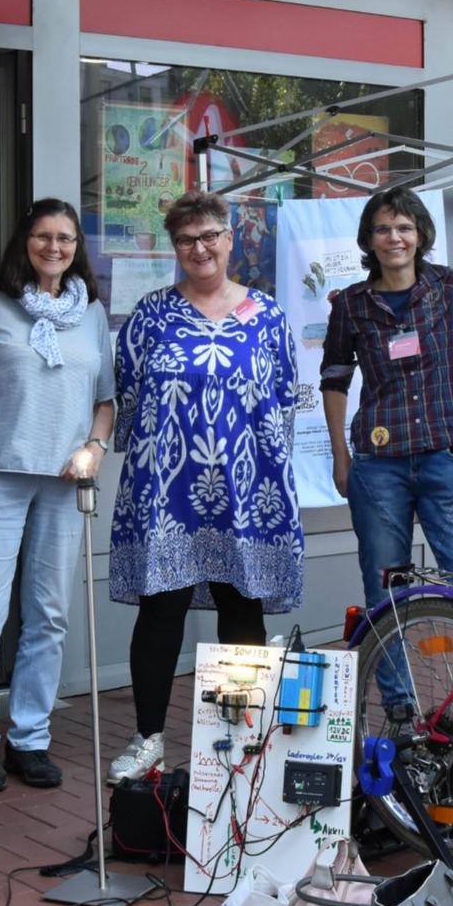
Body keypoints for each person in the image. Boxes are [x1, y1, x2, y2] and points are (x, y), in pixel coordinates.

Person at [105, 190, 304, 783]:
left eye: (210, 235)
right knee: (159, 611)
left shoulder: (267, 315)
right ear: (175, 246)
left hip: (248, 488)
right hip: (167, 491)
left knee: (241, 610)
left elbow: (286, 401)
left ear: (230, 239)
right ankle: (148, 741)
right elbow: (130, 397)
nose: (200, 248)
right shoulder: (150, 314)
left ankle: (235, 739)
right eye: (187, 239)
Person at [0, 198, 114, 793]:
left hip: (62, 483)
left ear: (76, 246)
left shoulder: (91, 313)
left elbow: (105, 402)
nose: (53, 247)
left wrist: (94, 448)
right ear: (24, 242)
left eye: (64, 237)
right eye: (42, 236)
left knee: (50, 615)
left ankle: (30, 738)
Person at [319, 187, 453, 713]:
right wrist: (339, 457)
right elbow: (334, 379)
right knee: (385, 589)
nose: (394, 238)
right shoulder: (351, 304)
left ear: (420, 235)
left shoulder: (448, 285)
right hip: (379, 468)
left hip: (444, 460)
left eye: (404, 228)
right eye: (382, 229)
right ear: (369, 240)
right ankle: (398, 705)